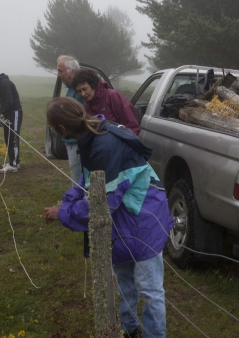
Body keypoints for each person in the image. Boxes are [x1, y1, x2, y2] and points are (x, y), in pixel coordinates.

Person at [43, 97, 172, 338]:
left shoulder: (105, 144)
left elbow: (100, 204)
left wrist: (63, 212)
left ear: (62, 130)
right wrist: (67, 200)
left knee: (150, 288)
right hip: (124, 223)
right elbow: (90, 181)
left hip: (143, 220)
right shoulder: (94, 135)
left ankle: (154, 335)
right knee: (124, 280)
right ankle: (129, 329)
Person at [70, 69, 141, 135]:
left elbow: (132, 127)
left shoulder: (112, 96)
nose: (83, 94)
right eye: (79, 91)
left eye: (85, 89)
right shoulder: (87, 103)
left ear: (93, 85)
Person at [56, 55, 84, 185]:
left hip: (77, 142)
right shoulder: (71, 89)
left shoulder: (80, 91)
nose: (58, 75)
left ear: (71, 71)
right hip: (72, 140)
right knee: (76, 174)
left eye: (60, 71)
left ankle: (77, 201)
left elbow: (80, 117)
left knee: (78, 178)